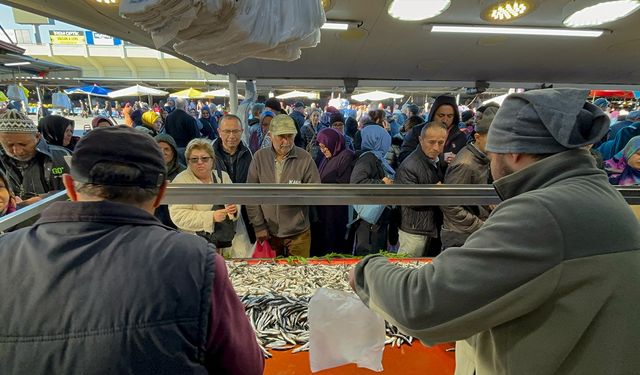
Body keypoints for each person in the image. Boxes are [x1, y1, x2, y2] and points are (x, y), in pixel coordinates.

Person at [349, 88, 640, 375]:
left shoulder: (541, 213)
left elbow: (421, 304)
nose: (491, 161)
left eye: (492, 152)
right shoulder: (602, 196)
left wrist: (367, 271)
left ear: (514, 150)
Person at [0, 126, 263, 374]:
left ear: (69, 187)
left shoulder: (5, 252)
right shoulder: (194, 259)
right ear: (161, 193)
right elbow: (245, 366)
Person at [247, 114, 321, 257]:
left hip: (299, 233)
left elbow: (315, 193)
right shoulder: (259, 158)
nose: (286, 142)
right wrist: (259, 226)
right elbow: (251, 196)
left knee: (299, 274)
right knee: (271, 275)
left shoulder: (305, 158)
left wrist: (298, 194)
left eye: (290, 136)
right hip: (269, 232)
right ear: (271, 135)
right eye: (281, 136)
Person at [169, 138, 252, 258]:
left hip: (225, 243)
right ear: (188, 162)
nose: (200, 162)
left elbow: (235, 201)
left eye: (204, 158)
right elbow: (178, 216)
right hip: (194, 245)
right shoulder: (181, 181)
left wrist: (233, 209)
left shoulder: (222, 177)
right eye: (194, 159)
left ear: (212, 160)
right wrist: (211, 216)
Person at [440, 106, 497, 250]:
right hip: (460, 235)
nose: (497, 144)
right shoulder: (466, 163)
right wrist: (479, 224)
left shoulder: (481, 158)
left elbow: (472, 194)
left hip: (469, 232)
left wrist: (487, 203)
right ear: (477, 137)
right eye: (493, 139)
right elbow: (449, 204)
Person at [394, 122, 448, 257]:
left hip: (431, 227)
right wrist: (434, 192)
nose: (436, 147)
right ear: (420, 140)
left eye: (441, 143)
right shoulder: (409, 165)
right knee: (406, 269)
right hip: (413, 231)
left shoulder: (438, 160)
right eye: (431, 142)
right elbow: (408, 199)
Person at [0, 110, 70, 205]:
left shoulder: (62, 156)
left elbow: (80, 190)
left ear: (37, 136)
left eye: (23, 144)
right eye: (9, 145)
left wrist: (42, 199)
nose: (17, 151)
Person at [350, 125, 395, 255]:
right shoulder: (368, 158)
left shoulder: (375, 157)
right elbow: (357, 183)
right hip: (369, 222)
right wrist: (382, 183)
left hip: (373, 219)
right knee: (369, 256)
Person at [311, 128, 356, 256]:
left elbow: (344, 183)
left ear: (332, 143)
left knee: (334, 242)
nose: (323, 150)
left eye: (325, 146)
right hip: (325, 208)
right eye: (320, 147)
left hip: (336, 210)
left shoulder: (346, 156)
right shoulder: (327, 157)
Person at [213, 114, 255, 242]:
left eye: (235, 131)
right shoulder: (208, 155)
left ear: (242, 131)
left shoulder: (250, 154)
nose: (232, 136)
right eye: (227, 131)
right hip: (217, 217)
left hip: (245, 217)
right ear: (219, 132)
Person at [399, 95, 466, 165]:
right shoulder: (417, 131)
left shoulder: (460, 136)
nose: (445, 120)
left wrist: (458, 161)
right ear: (433, 114)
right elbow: (404, 156)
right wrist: (439, 158)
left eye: (450, 116)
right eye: (441, 115)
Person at [152, 134, 185, 229]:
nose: (162, 152)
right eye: (158, 148)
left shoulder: (183, 172)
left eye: (167, 149)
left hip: (176, 223)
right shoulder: (146, 170)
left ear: (173, 152)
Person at [164, 97, 200, 164]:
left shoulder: (168, 117)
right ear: (185, 107)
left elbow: (167, 132)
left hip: (172, 148)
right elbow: (195, 136)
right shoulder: (189, 119)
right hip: (186, 149)